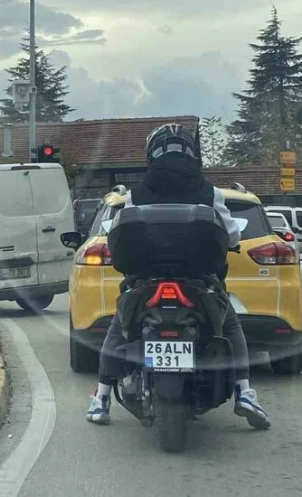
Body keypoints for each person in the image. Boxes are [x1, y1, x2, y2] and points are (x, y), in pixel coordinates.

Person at [86, 123, 270, 430]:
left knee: (119, 325)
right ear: (192, 153)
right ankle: (244, 392)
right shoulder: (210, 192)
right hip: (199, 281)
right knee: (230, 324)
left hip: (145, 281)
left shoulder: (135, 194)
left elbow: (122, 233)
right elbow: (232, 235)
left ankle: (102, 398)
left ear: (151, 154)